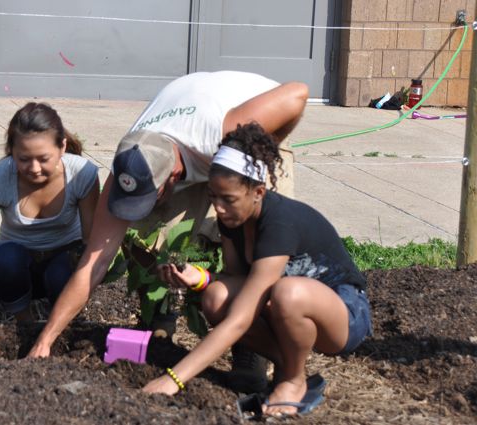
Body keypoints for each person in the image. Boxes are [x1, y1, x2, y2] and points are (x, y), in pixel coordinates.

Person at [27, 71, 309, 384]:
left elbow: (297, 91)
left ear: (172, 177)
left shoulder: (226, 131)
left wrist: (257, 151)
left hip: (250, 132)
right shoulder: (131, 161)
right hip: (187, 136)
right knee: (143, 235)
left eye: (148, 196)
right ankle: (160, 317)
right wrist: (46, 339)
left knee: (252, 248)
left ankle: (252, 353)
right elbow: (94, 262)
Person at [142, 122, 372, 418]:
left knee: (287, 292)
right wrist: (199, 279)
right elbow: (240, 283)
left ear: (258, 192)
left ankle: (292, 380)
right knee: (215, 297)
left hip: (344, 312)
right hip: (289, 307)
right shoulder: (234, 220)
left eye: (229, 199)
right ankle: (291, 364)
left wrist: (174, 379)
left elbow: (241, 319)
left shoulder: (278, 223)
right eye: (214, 196)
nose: (219, 209)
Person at [0, 102, 100, 324]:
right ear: (12, 152)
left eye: (43, 159)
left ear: (62, 147)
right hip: (19, 269)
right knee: (3, 259)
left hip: (63, 267)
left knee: (63, 272)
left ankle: (63, 318)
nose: (34, 168)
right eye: (23, 159)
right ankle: (24, 322)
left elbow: (91, 241)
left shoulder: (82, 174)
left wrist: (84, 283)